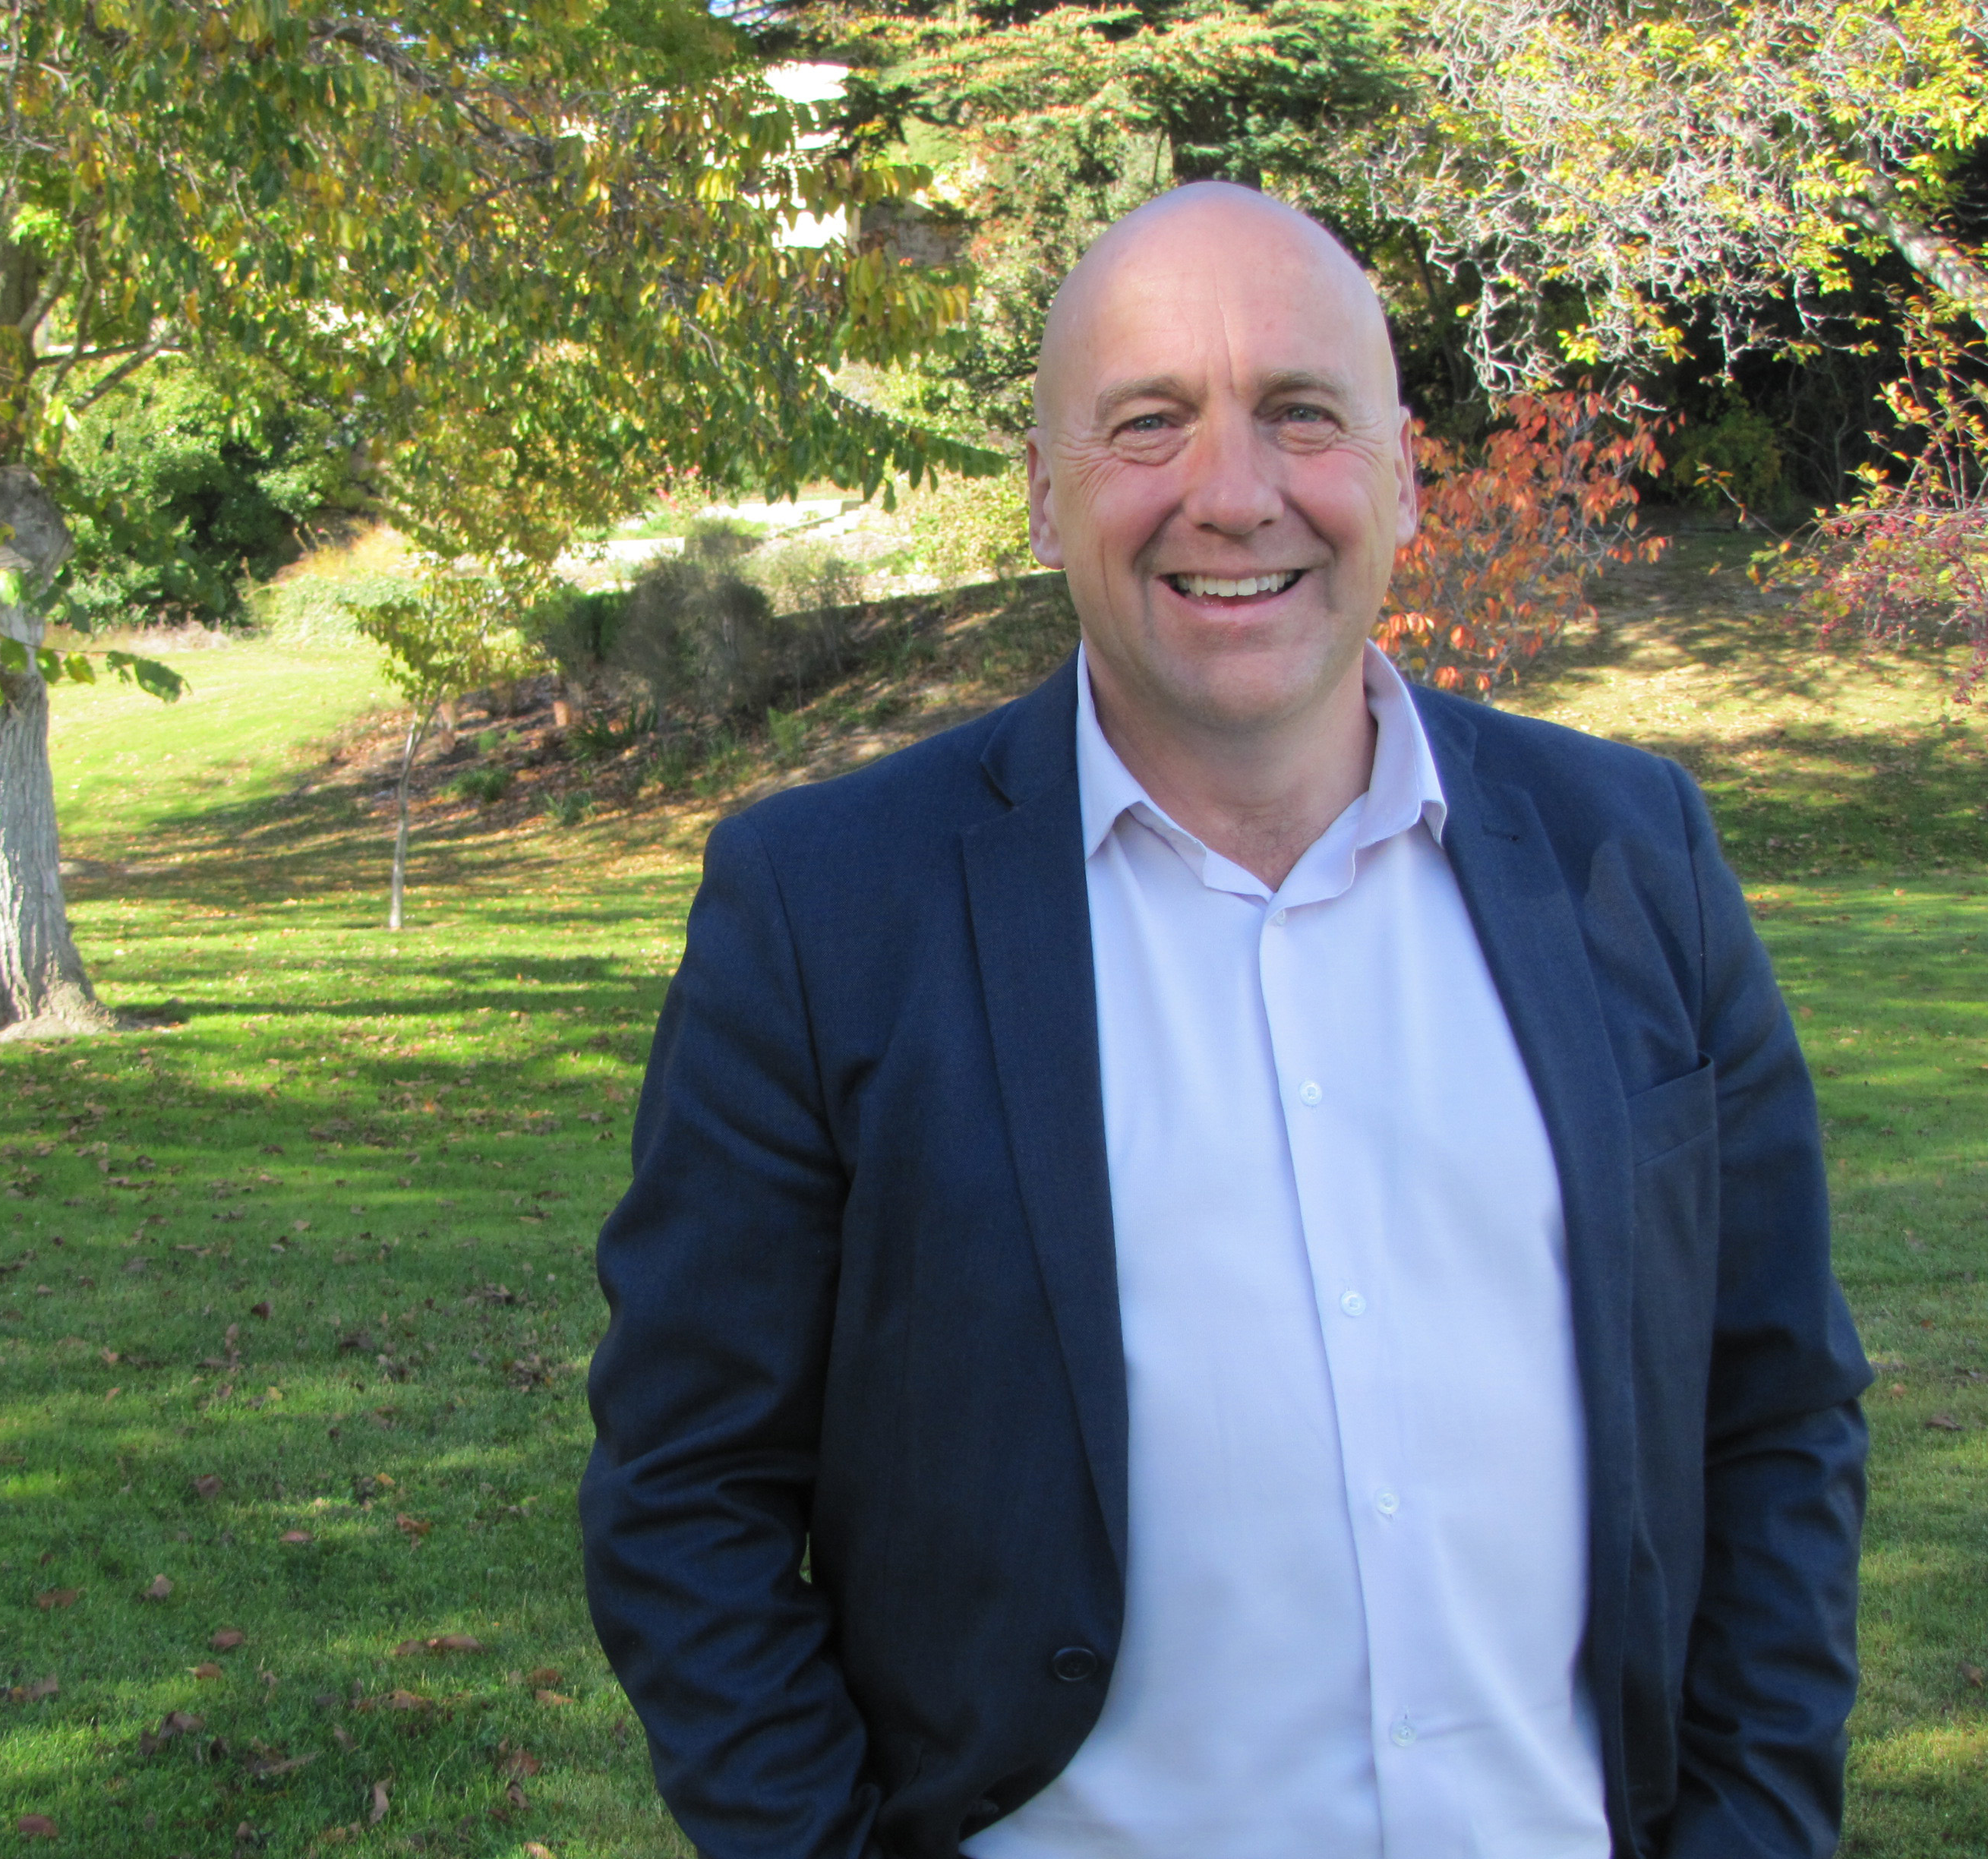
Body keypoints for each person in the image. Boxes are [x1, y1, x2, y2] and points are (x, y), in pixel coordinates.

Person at [579, 184, 1870, 1859]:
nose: (1234, 493)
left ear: (1403, 473)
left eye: (1300, 415)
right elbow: (690, 1493)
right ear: (1045, 498)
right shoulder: (829, 910)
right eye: (1149, 424)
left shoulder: (1632, 856)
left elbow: (1772, 1414)